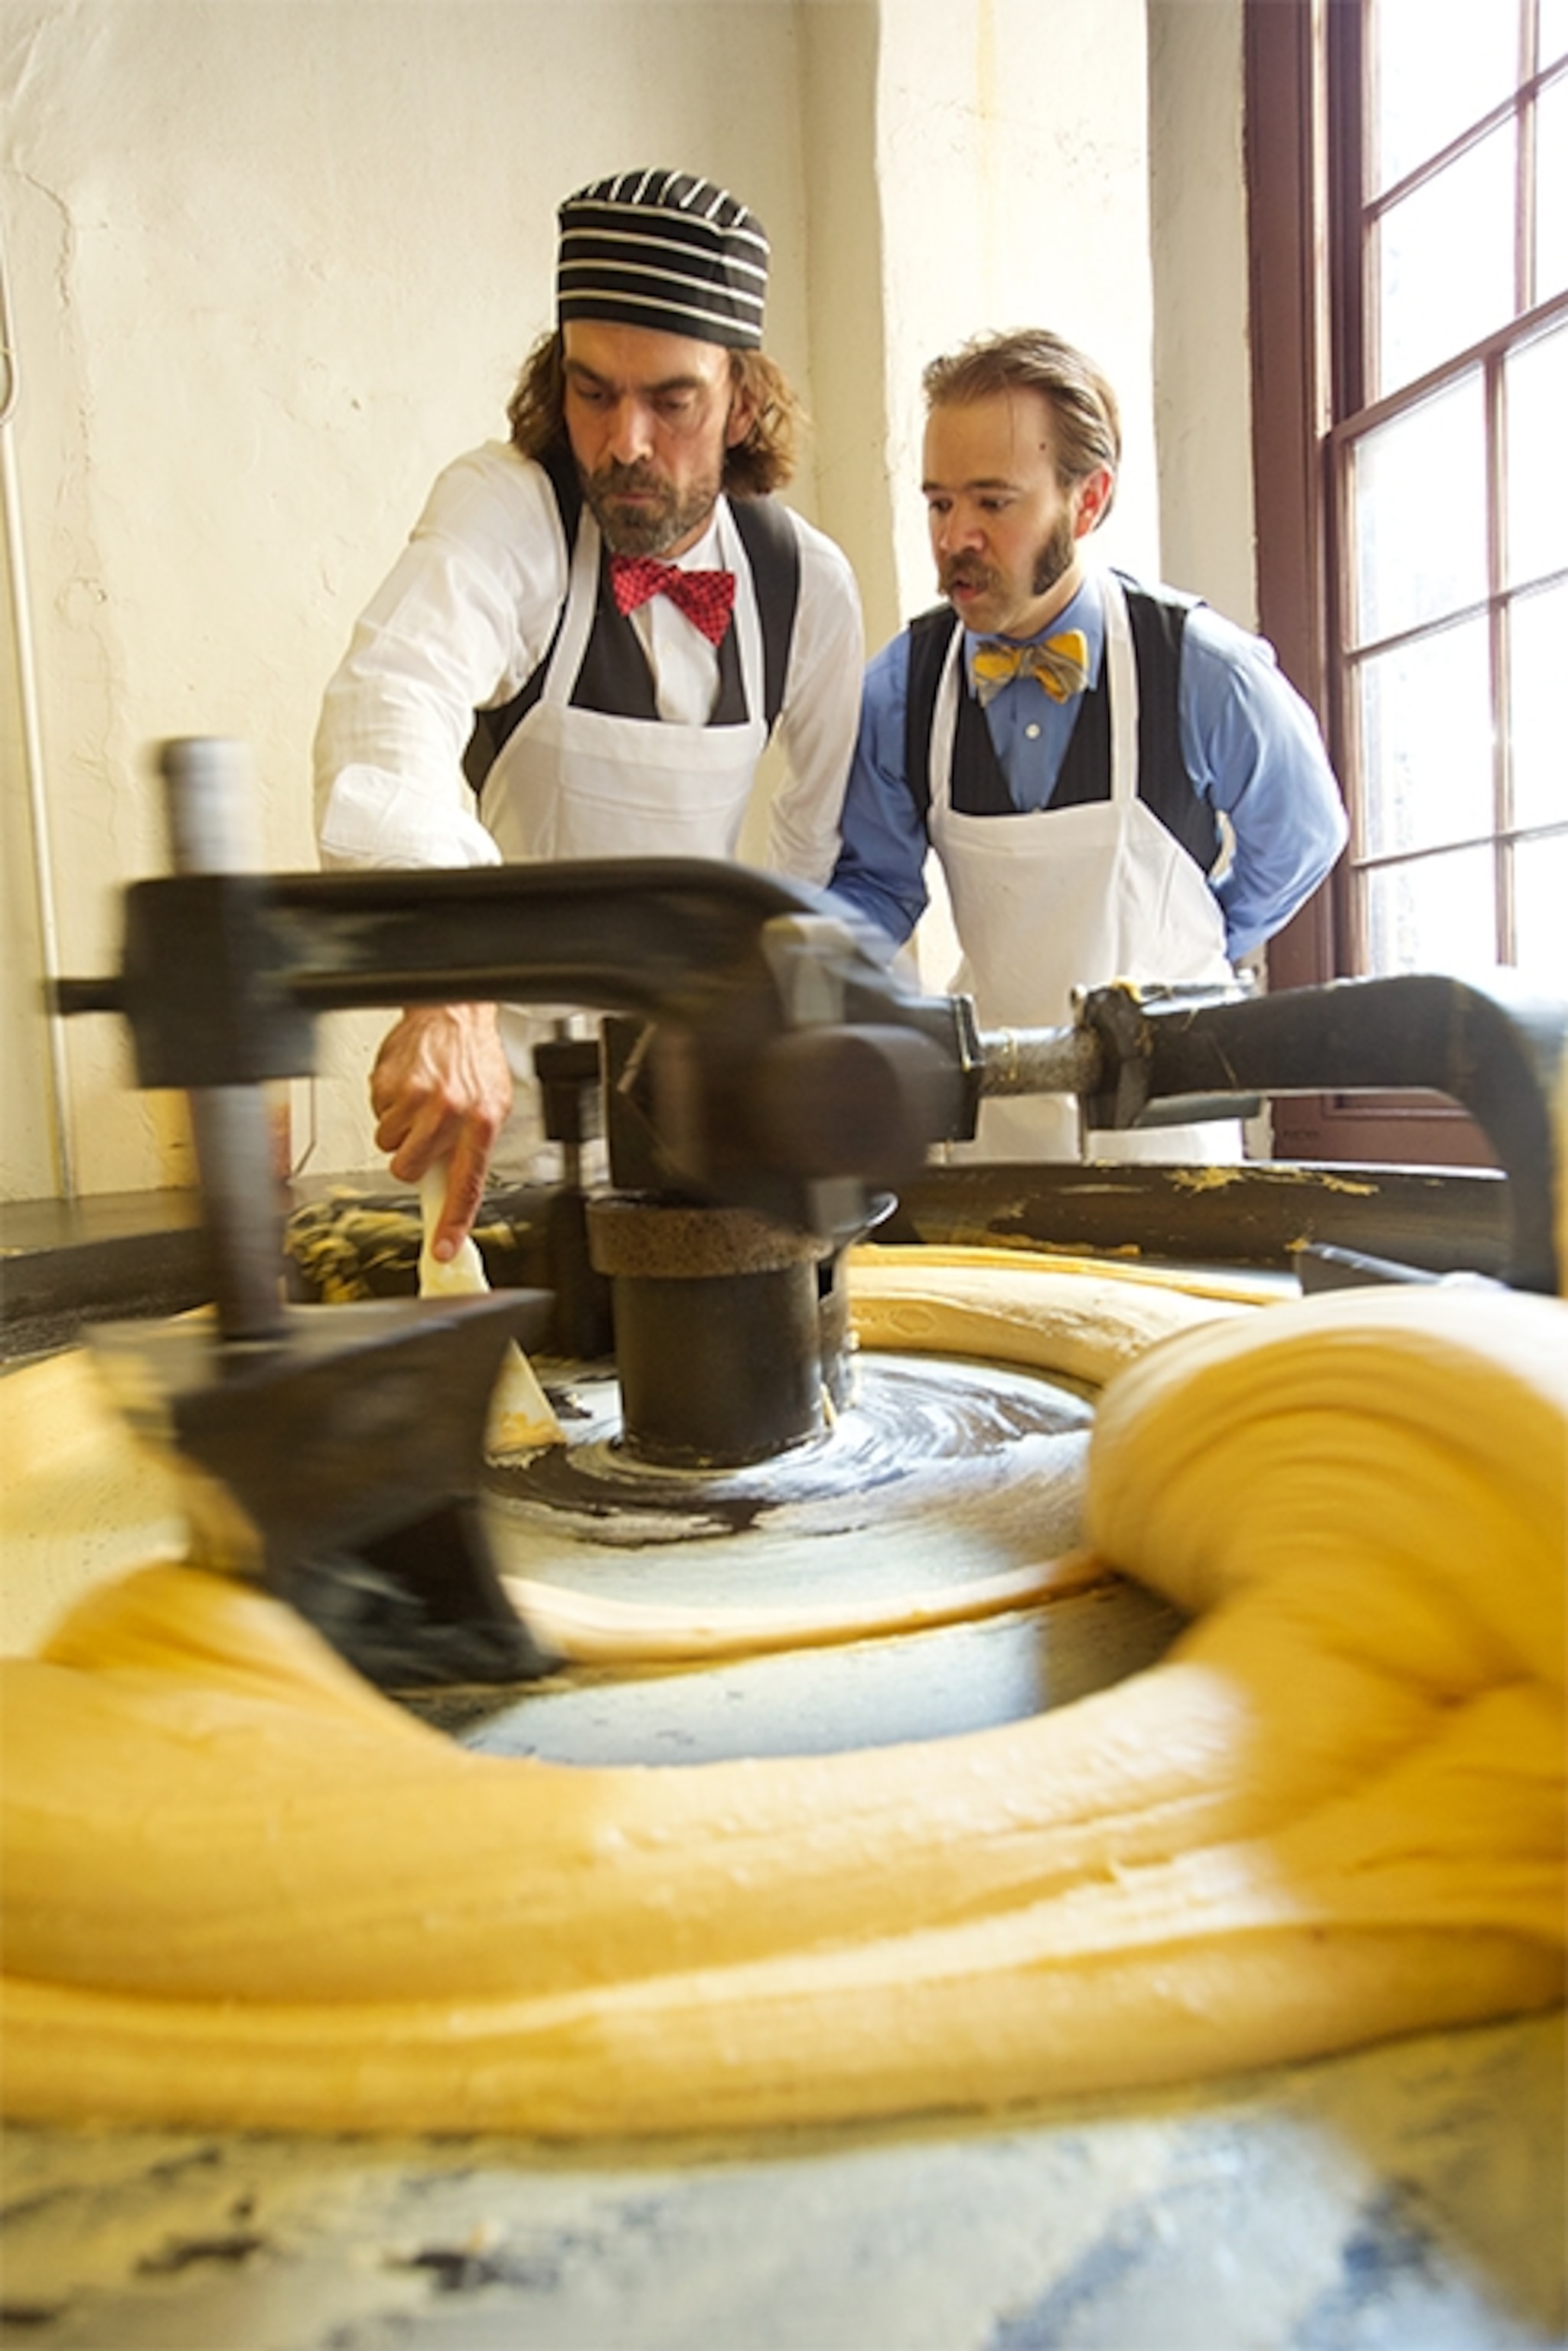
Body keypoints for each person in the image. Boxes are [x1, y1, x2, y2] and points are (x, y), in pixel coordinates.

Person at [315, 168, 863, 1255]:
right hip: (505, 1150)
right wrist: (447, 982)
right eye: (593, 390)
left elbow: (818, 855)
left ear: (742, 401)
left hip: (714, 1154)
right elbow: (390, 708)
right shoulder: (508, 512)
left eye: (671, 400)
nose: (622, 443)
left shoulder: (805, 587)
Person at [828, 328, 1348, 1162]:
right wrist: (781, 964)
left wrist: (1190, 948)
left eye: (993, 503)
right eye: (939, 502)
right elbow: (877, 889)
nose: (956, 537)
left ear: (1089, 500)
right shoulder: (903, 689)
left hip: (1174, 1141)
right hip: (996, 1135)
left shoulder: (1203, 670)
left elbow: (1305, 838)